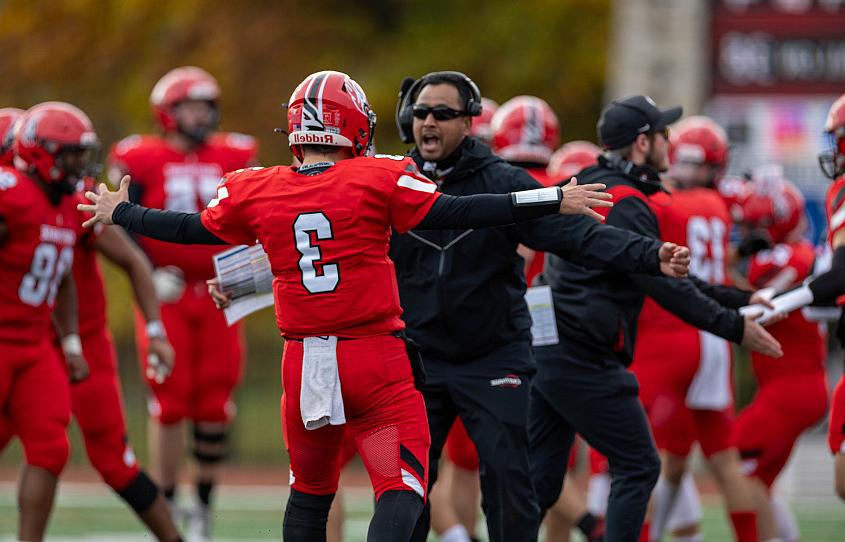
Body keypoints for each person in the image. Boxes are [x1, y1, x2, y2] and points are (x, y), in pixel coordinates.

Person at [79, 69, 629, 542]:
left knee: (310, 492)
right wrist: (552, 195)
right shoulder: (377, 176)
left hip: (304, 369)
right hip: (373, 363)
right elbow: (462, 211)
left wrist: (122, 213)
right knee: (402, 480)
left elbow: (193, 230)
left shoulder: (259, 187)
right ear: (354, 124)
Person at [390, 72, 690, 542]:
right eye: (422, 112)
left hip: (492, 356)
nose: (429, 121)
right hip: (420, 358)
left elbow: (580, 237)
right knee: (403, 490)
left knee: (512, 483)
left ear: (470, 123)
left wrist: (649, 254)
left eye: (443, 113)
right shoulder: (393, 181)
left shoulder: (503, 180)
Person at [528, 96, 783, 542]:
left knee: (542, 479)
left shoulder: (592, 182)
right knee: (639, 464)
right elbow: (662, 284)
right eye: (664, 134)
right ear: (643, 144)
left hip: (550, 349)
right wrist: (735, 325)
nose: (672, 142)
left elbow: (665, 273)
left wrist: (737, 301)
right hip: (584, 355)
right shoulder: (627, 201)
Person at [106, 66, 258, 539]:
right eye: (192, 106)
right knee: (169, 402)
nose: (201, 115)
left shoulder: (236, 153)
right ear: (166, 112)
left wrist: (247, 273)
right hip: (166, 293)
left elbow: (254, 214)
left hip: (219, 290)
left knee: (215, 400)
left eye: (206, 106)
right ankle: (167, 502)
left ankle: (204, 505)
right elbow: (114, 217)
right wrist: (148, 273)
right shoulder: (139, 156)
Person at [632, 116, 764, 542]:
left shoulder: (663, 203)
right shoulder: (720, 206)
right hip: (716, 336)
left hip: (674, 329)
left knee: (639, 456)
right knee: (720, 458)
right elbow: (722, 271)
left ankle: (645, 533)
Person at [0, 101, 93, 542]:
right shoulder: (11, 192)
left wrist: (72, 343)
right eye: (69, 153)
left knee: (51, 447)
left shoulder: (69, 202)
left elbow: (65, 277)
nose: (78, 163)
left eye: (81, 153)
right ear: (41, 152)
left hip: (34, 343)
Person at [733, 169, 828, 542]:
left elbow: (753, 305)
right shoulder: (802, 252)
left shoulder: (784, 258)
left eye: (755, 224)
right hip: (797, 385)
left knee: (734, 465)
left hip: (789, 390)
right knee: (760, 479)